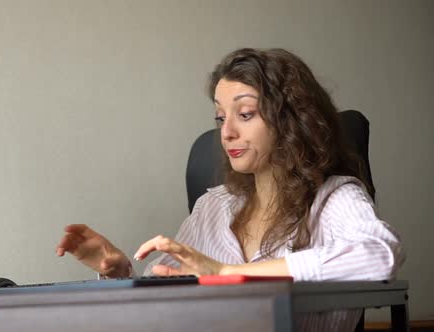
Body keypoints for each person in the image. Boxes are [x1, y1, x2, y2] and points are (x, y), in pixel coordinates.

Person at [55, 48, 404, 331]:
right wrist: (120, 274)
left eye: (246, 113)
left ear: (293, 120)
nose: (227, 133)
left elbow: (379, 256)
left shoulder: (334, 198)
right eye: (221, 118)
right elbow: (159, 294)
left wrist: (225, 274)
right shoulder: (213, 206)